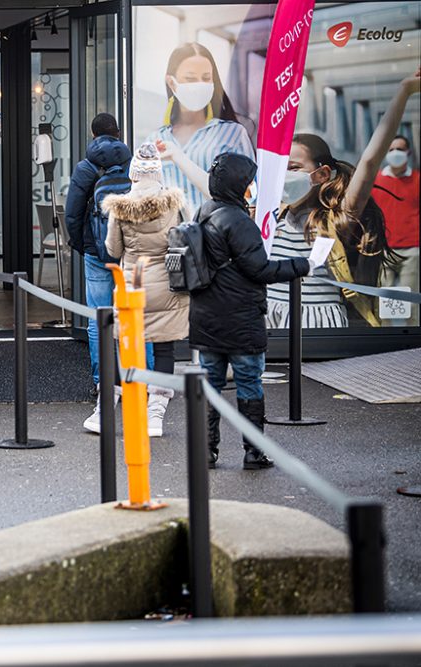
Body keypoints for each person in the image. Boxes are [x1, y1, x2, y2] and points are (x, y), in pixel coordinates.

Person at [266, 69, 419, 329]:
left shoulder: (335, 219)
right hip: (272, 323)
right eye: (280, 168)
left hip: (317, 328)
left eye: (293, 168)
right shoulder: (271, 217)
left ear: (322, 174)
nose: (284, 177)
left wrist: (404, 90)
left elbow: (370, 161)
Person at [190, 153, 311, 470]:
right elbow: (260, 270)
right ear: (238, 185)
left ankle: (206, 451)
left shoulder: (202, 212)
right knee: (249, 385)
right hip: (241, 320)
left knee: (209, 386)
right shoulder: (239, 222)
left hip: (206, 319)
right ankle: (254, 452)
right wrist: (303, 264)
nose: (251, 186)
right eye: (248, 181)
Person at [101, 142, 190, 438]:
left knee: (126, 346)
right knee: (164, 348)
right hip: (167, 285)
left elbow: (113, 249)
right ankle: (155, 415)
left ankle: (106, 409)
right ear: (158, 175)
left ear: (134, 174)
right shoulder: (174, 203)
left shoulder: (120, 206)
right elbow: (186, 239)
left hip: (132, 285)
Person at [64, 113, 132, 405]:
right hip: (131, 252)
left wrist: (83, 245)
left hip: (97, 251)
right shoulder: (132, 163)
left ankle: (102, 383)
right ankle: (135, 379)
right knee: (131, 316)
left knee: (99, 318)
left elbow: (73, 213)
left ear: (93, 135)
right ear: (118, 133)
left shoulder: (85, 168)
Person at [148, 42, 255, 216]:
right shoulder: (156, 139)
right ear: (171, 82)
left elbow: (249, 198)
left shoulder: (232, 134)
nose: (199, 85)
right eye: (190, 79)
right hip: (171, 241)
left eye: (206, 78)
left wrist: (180, 158)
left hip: (219, 239)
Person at [373, 134, 419, 326]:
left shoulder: (417, 179)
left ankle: (414, 344)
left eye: (399, 149)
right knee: (383, 301)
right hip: (384, 250)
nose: (395, 153)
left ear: (408, 152)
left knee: (411, 302)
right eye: (391, 150)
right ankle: (383, 343)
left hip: (411, 249)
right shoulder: (376, 181)